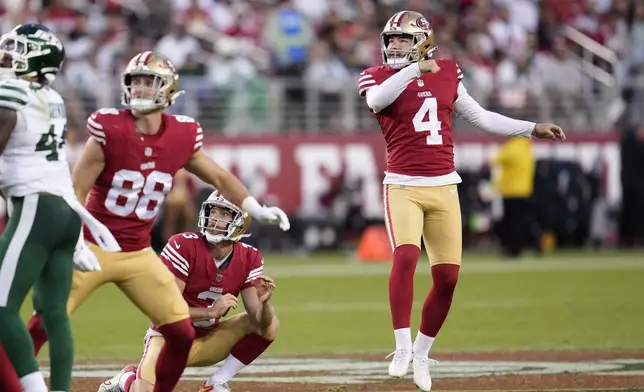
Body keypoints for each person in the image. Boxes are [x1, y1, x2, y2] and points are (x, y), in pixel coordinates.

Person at [0, 50, 290, 392]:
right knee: (45, 321)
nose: (139, 89)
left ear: (167, 88)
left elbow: (219, 176)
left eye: (147, 81)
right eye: (134, 82)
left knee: (180, 333)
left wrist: (254, 207)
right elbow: (75, 191)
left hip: (138, 253)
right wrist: (75, 241)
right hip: (95, 246)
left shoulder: (182, 134)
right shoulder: (109, 128)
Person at [357, 10, 566, 391]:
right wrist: (415, 70)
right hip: (403, 185)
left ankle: (422, 353)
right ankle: (401, 346)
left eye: (402, 39)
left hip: (444, 185)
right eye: (391, 40)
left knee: (448, 278)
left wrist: (530, 129)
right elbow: (376, 101)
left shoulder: (449, 72)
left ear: (420, 41)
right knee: (405, 256)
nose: (394, 46)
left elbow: (481, 117)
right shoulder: (379, 76)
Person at [0, 24, 119, 392]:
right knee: (53, 313)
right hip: (63, 211)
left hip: (36, 208)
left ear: (37, 60)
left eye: (17, 49)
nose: (6, 55)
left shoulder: (13, 90)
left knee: (2, 307)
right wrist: (79, 240)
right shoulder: (52, 97)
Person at [98, 191, 278, 392]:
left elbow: (259, 319)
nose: (214, 218)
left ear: (240, 222)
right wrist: (210, 312)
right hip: (168, 339)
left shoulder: (249, 256)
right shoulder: (183, 245)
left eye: (224, 214)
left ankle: (216, 383)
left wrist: (265, 305)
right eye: (213, 212)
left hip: (208, 339)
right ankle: (126, 380)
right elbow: (166, 309)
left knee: (271, 325)